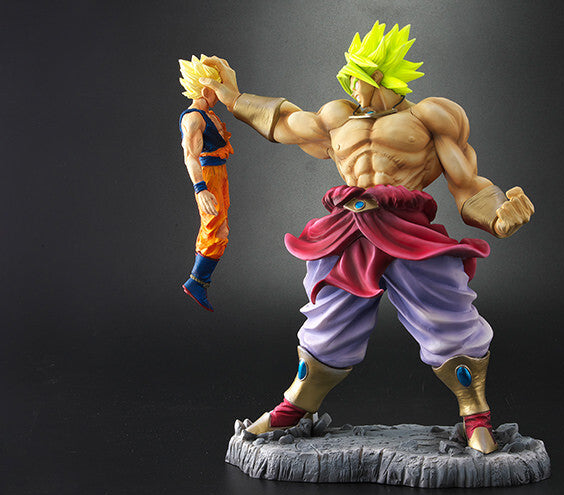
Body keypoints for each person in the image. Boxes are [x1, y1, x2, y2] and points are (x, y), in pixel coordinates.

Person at [200, 22, 534, 453]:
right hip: (348, 227)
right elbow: (285, 122)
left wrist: (498, 217)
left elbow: (467, 184)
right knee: (328, 318)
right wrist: (232, 97)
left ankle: (476, 415)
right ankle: (293, 407)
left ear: (379, 76)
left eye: (356, 78)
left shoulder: (431, 116)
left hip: (407, 228)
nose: (350, 87)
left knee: (447, 314)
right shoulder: (338, 116)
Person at [178, 55, 234, 311]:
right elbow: (190, 156)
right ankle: (197, 281)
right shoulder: (193, 118)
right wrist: (200, 189)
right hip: (208, 175)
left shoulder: (207, 114)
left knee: (220, 227)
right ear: (205, 89)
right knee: (215, 228)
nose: (218, 94)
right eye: (215, 88)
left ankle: (199, 281)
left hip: (219, 174)